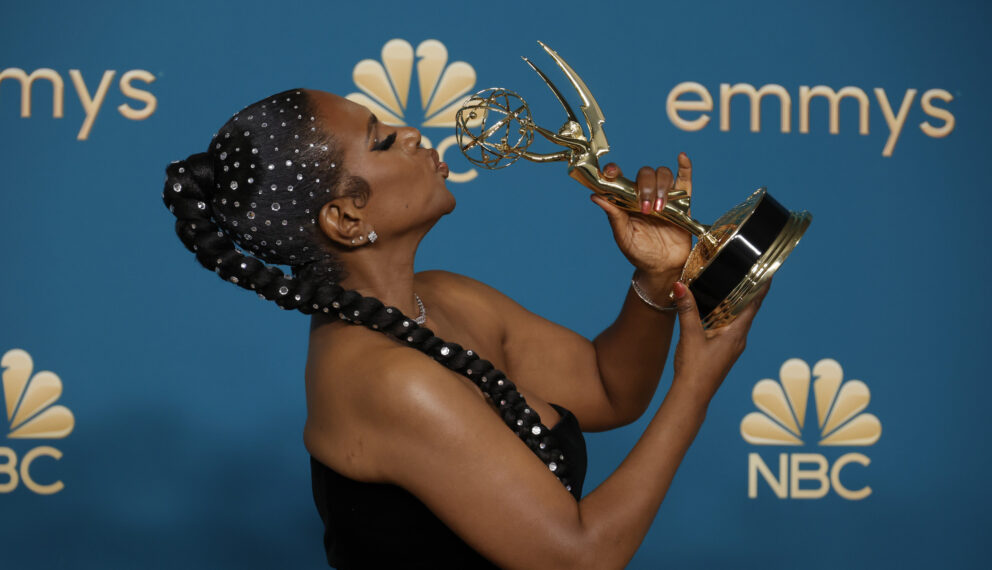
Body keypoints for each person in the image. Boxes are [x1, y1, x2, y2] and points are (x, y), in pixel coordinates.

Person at [162, 88, 768, 569]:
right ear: (346, 218)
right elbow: (581, 556)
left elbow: (611, 387)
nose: (410, 132)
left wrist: (657, 280)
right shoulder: (388, 379)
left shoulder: (444, 296)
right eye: (381, 141)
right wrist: (694, 389)